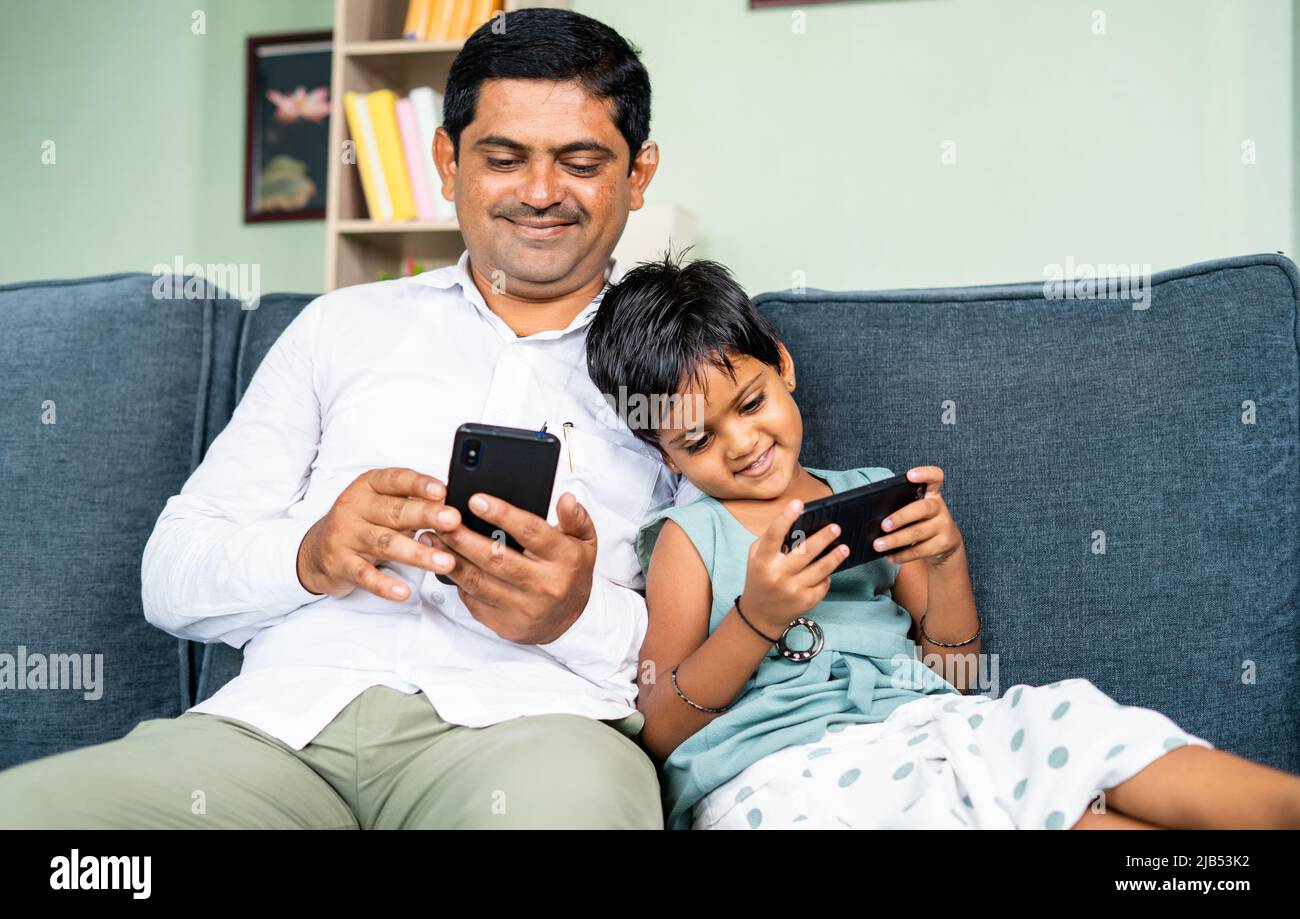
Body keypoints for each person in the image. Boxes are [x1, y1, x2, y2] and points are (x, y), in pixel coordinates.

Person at [0, 8, 696, 829]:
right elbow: (171, 575)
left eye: (580, 162)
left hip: (532, 731)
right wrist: (313, 552)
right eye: (503, 159)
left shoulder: (694, 359)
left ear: (639, 173)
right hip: (276, 733)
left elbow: (716, 644)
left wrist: (575, 613)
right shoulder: (341, 327)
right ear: (447, 161)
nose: (540, 193)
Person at [583, 250, 1300, 830]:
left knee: (1059, 733)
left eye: (750, 402)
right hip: (786, 773)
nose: (742, 444)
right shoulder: (688, 536)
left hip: (925, 726)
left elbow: (955, 674)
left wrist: (945, 558)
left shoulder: (868, 494)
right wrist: (756, 618)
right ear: (664, 453)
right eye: (698, 438)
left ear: (783, 365)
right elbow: (665, 727)